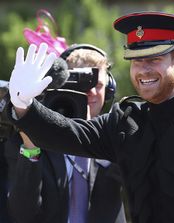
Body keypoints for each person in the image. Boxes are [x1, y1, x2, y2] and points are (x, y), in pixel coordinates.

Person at [7, 12, 174, 223]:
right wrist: (24, 105)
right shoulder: (126, 122)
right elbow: (68, 134)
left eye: (154, 59)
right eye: (136, 60)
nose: (143, 70)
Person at [4, 44, 127, 223]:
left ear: (109, 91)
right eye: (82, 84)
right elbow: (22, 214)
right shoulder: (29, 137)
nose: (91, 92)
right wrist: (30, 148)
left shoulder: (117, 134)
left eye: (98, 85)